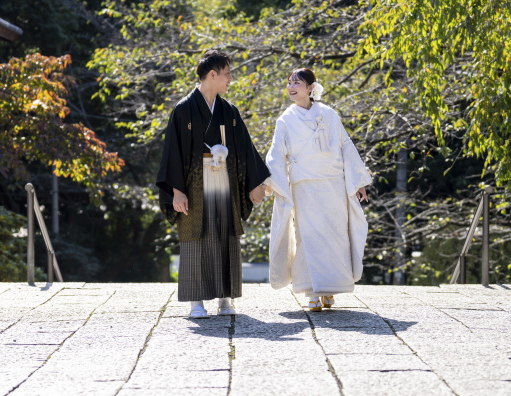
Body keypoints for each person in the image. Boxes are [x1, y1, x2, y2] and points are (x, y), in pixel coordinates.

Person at [156, 50, 269, 318]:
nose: (231, 78)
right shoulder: (183, 110)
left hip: (224, 181)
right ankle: (196, 301)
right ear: (212, 74)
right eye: (227, 73)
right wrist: (177, 190)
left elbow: (245, 149)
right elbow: (173, 151)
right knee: (195, 236)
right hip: (193, 183)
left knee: (225, 235)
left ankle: (225, 298)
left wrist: (256, 182)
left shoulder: (229, 111)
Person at [264, 68, 371, 311]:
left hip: (332, 184)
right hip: (304, 187)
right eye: (289, 82)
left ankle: (330, 288)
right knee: (308, 237)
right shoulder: (285, 120)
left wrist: (358, 181)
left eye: (298, 82)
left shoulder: (329, 115)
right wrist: (269, 183)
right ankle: (311, 290)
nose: (292, 86)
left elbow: (346, 146)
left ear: (311, 87)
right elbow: (276, 153)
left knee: (335, 236)